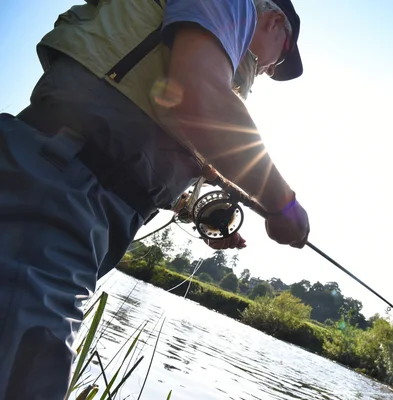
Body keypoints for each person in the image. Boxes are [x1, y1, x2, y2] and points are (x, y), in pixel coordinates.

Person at [0, 0, 310, 398]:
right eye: (277, 62)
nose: (266, 71)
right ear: (276, 20)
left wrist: (203, 216)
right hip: (59, 197)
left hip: (62, 185)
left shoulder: (200, 31)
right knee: (25, 377)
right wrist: (282, 204)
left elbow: (140, 149)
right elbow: (200, 97)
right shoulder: (235, 2)